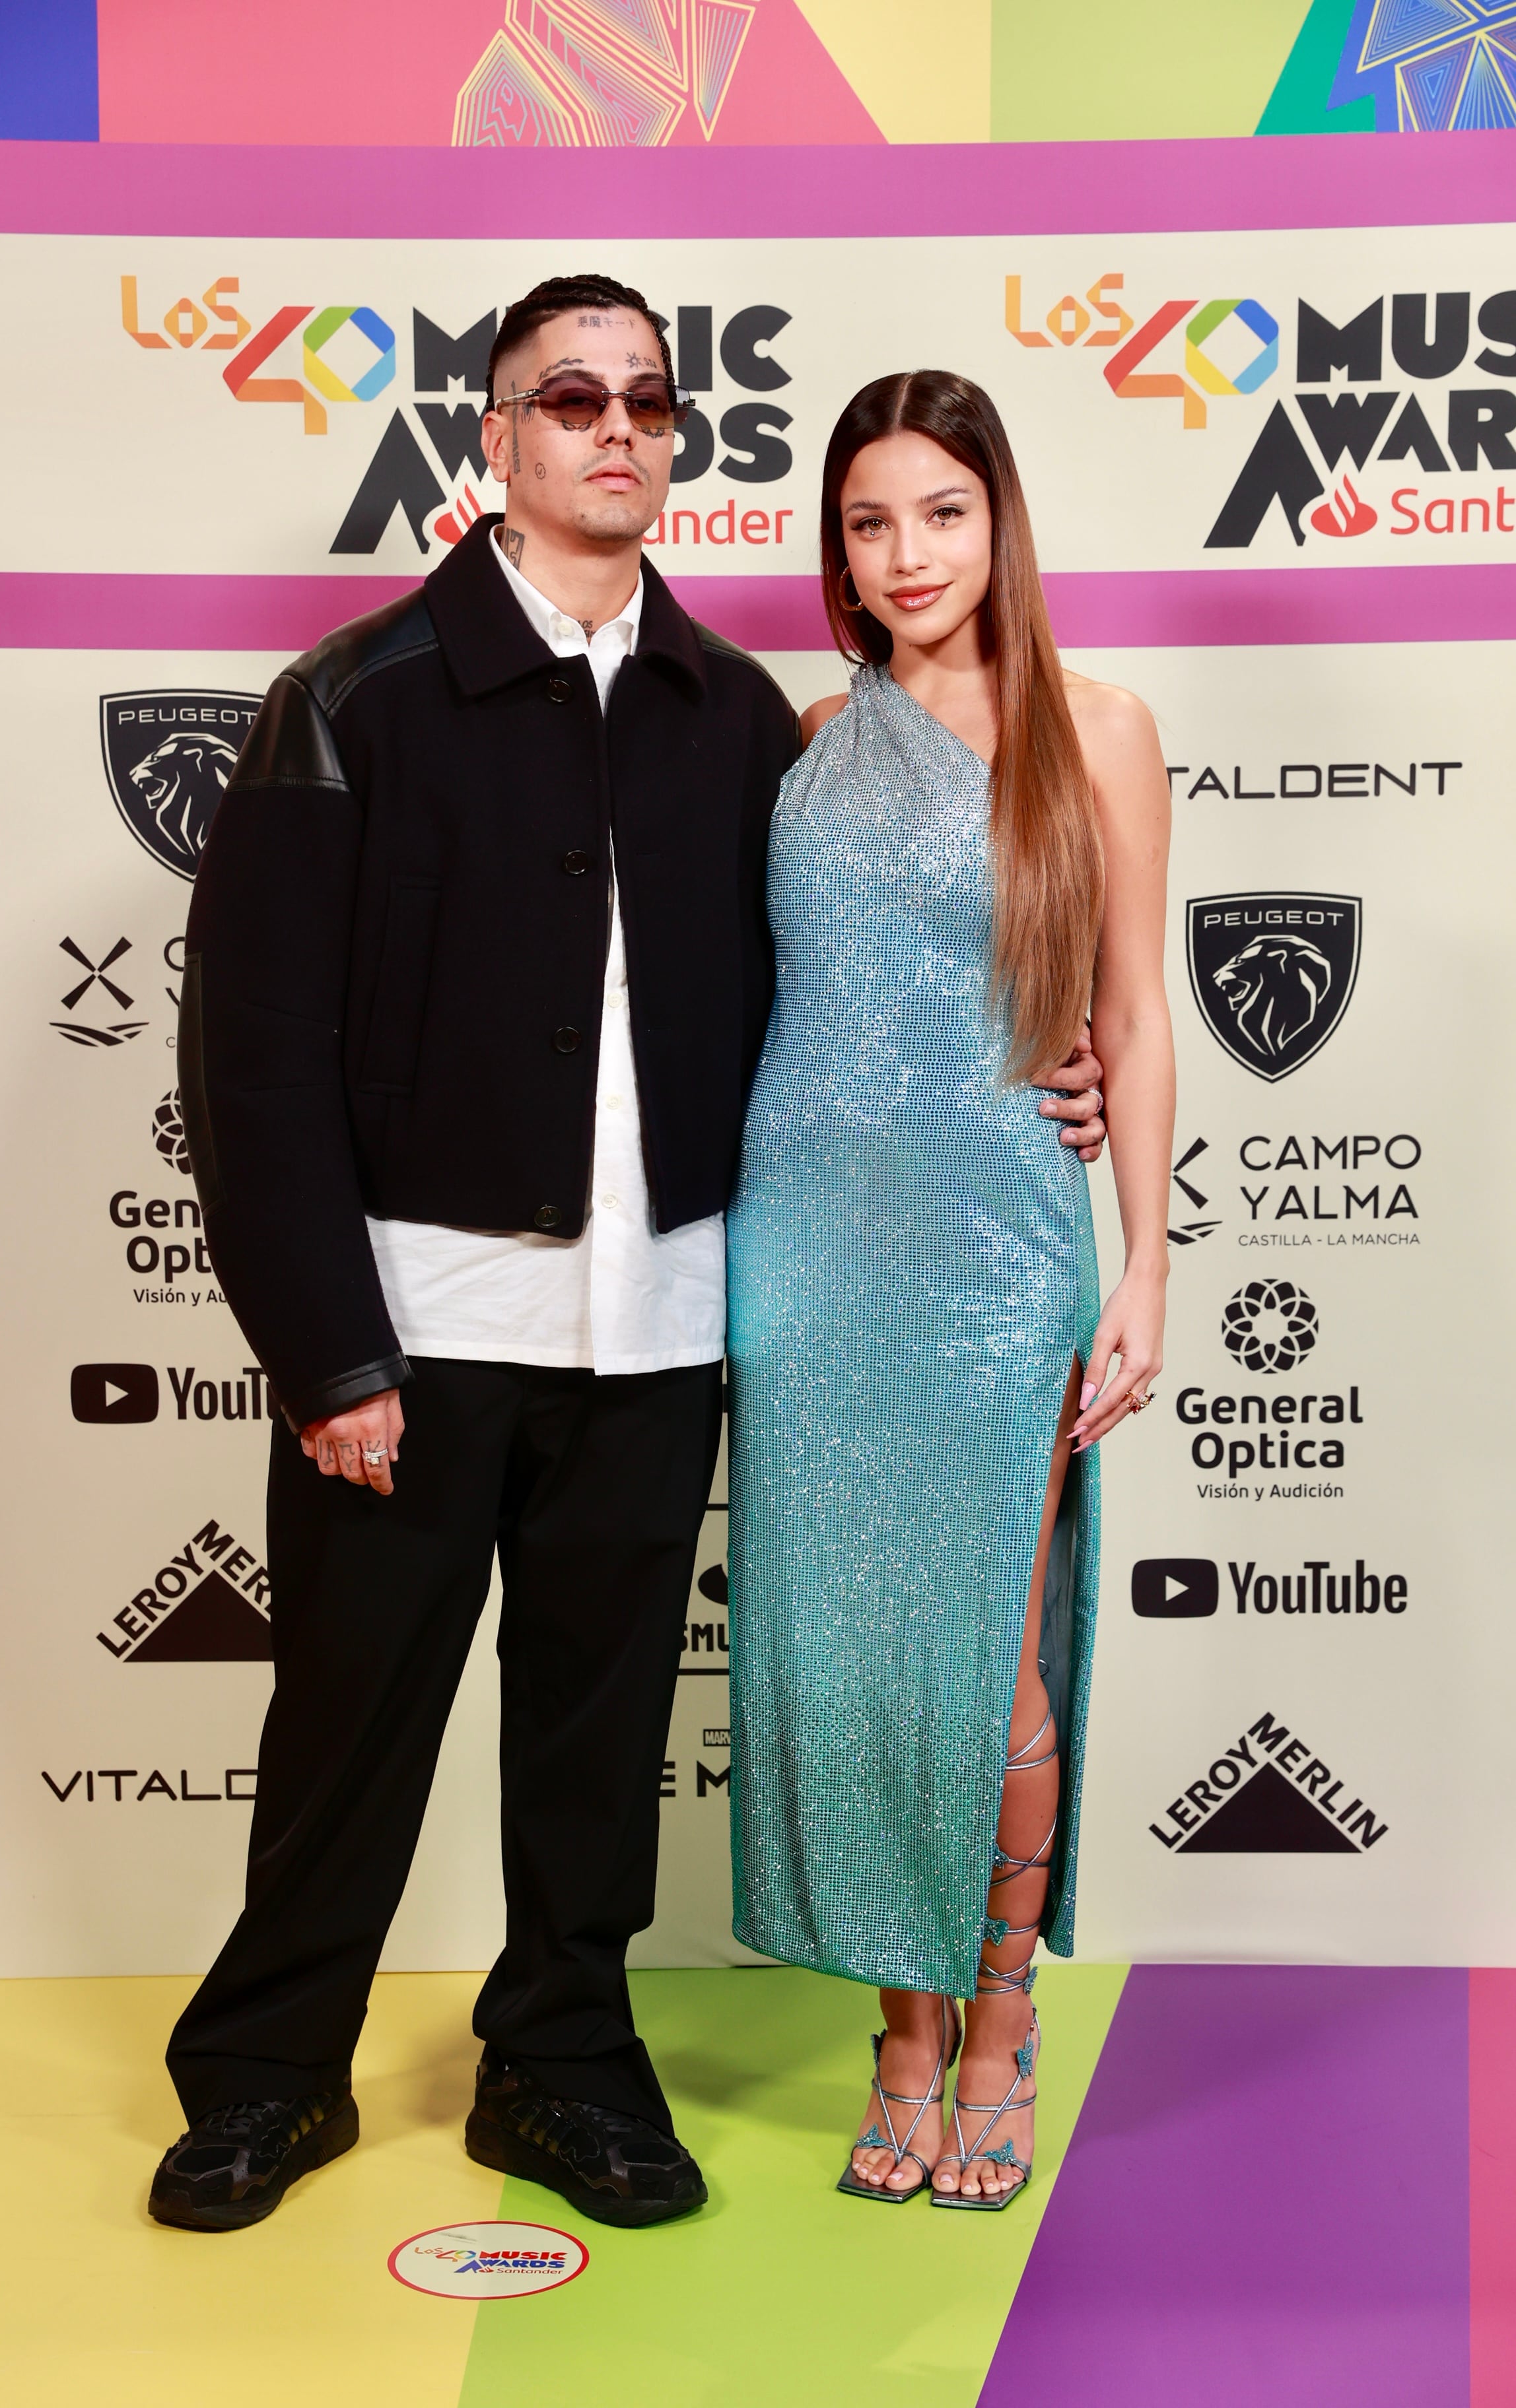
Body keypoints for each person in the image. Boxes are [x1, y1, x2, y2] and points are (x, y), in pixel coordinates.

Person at [148, 280, 1109, 2236]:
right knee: (347, 1726)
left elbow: (857, 972)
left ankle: (562, 2068)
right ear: (491, 434)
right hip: (417, 1329)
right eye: (567, 397)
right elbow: (247, 1061)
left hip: (663, 1330)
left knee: (595, 1752)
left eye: (648, 402)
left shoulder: (735, 720)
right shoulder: (354, 697)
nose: (614, 428)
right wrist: (329, 1349)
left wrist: (1050, 1067)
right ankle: (263, 2077)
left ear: (676, 442)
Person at [726, 370, 1173, 2210]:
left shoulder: (1102, 729)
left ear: (1001, 521)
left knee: (990, 1672)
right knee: (853, 1666)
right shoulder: (811, 732)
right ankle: (897, 2041)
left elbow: (1135, 1018)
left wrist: (1146, 1256)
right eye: (867, 521)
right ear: (837, 543)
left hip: (998, 1254)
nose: (906, 555)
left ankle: (997, 2033)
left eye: (940, 513)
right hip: (807, 1249)